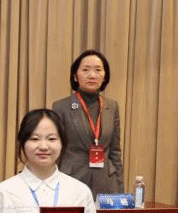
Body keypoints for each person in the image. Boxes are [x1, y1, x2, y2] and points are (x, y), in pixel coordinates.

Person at [51, 49, 124, 195]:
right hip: (71, 179)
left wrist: (120, 188)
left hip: (106, 182)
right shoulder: (61, 107)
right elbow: (55, 150)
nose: (92, 75)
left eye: (98, 70)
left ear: (105, 76)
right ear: (75, 76)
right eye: (85, 70)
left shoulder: (112, 106)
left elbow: (115, 152)